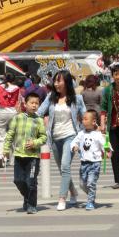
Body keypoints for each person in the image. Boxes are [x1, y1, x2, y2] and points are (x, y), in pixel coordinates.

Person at [37, 70, 86, 211]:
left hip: (71, 136)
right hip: (54, 138)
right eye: (55, 81)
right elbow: (39, 112)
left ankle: (62, 198)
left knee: (65, 166)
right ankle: (74, 192)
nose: (56, 84)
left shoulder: (77, 99)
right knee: (63, 169)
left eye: (59, 81)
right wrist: (27, 113)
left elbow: (84, 117)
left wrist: (91, 130)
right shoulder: (50, 97)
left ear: (67, 82)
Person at [2, 92, 47, 214]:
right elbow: (10, 134)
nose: (34, 105)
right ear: (25, 104)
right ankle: (27, 198)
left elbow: (44, 137)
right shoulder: (17, 118)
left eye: (37, 103)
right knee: (18, 180)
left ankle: (31, 205)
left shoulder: (39, 120)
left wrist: (35, 143)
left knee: (31, 181)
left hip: (33, 157)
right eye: (31, 103)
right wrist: (6, 150)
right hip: (19, 155)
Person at [71, 109, 105, 211]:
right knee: (82, 184)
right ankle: (92, 193)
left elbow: (105, 144)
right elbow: (73, 142)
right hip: (84, 163)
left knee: (91, 183)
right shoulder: (81, 133)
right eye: (83, 119)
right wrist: (74, 147)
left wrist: (107, 151)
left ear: (94, 121)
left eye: (86, 119)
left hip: (95, 163)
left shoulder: (97, 134)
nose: (83, 121)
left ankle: (90, 201)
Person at [0, 72, 21, 168]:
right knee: (13, 135)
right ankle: (12, 160)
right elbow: (18, 100)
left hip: (2, 111)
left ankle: (1, 158)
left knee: (1, 137)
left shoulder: (0, 87)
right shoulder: (17, 88)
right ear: (14, 79)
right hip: (12, 111)